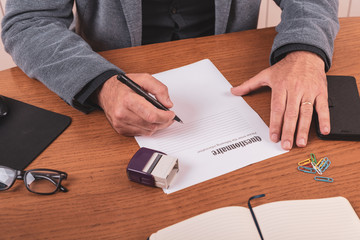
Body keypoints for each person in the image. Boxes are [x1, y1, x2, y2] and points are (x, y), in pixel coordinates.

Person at [1, 0, 339, 150]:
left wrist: (304, 51)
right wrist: (100, 85)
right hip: (108, 93)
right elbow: (30, 20)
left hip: (236, 78)